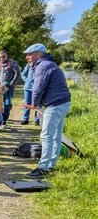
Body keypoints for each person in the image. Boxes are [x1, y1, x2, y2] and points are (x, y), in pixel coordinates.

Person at [23, 43, 72, 178]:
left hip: (55, 104)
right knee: (55, 135)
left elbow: (37, 88)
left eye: (29, 54)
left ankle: (43, 168)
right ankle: (50, 165)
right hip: (62, 102)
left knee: (46, 135)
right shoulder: (49, 64)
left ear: (39, 54)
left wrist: (35, 105)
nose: (27, 57)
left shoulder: (43, 65)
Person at [0, 50, 21, 126]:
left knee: (7, 103)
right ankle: (0, 119)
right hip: (0, 87)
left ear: (7, 55)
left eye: (3, 57)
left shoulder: (12, 63)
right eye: (0, 57)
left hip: (8, 87)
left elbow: (17, 74)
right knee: (0, 102)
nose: (2, 58)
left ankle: (4, 119)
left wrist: (11, 84)